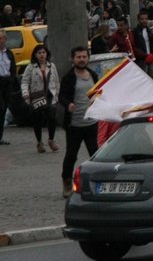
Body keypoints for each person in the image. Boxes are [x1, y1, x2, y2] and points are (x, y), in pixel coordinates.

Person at [59, 46, 99, 198]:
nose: (82, 60)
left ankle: (96, 182)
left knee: (95, 154)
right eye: (78, 57)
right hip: (74, 124)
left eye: (84, 57)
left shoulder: (93, 75)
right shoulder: (68, 77)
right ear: (73, 59)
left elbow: (98, 93)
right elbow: (61, 96)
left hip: (91, 123)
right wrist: (68, 104)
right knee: (71, 155)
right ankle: (67, 182)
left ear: (88, 58)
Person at [21, 45, 60, 153]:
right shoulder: (31, 67)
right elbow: (25, 82)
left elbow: (56, 81)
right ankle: (39, 142)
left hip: (50, 95)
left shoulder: (52, 66)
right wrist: (25, 93)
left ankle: (51, 140)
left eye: (43, 52)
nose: (42, 55)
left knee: (52, 118)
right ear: (35, 55)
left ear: (47, 54)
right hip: (37, 96)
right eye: (39, 53)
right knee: (37, 119)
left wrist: (57, 94)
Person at [133, 9, 153, 81]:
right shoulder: (135, 31)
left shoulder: (149, 30)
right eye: (142, 19)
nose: (144, 21)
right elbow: (135, 47)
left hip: (150, 58)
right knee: (144, 80)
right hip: (142, 60)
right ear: (138, 20)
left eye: (146, 19)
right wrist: (143, 55)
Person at [0, 29, 16, 145]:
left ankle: (0, 137)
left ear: (5, 40)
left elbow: (13, 69)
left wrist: (11, 80)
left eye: (1, 38)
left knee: (4, 109)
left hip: (7, 83)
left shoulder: (9, 53)